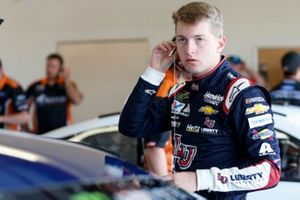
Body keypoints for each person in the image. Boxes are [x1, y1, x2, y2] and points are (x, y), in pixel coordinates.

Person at [119, 2, 281, 199]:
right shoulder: (180, 91)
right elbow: (131, 126)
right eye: (182, 40)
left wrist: (199, 179)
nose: (189, 50)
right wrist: (154, 71)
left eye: (199, 39)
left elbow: (270, 171)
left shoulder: (242, 94)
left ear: (220, 43)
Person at [26, 53, 83, 134]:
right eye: (48, 66)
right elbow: (24, 108)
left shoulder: (68, 85)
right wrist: (26, 128)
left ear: (60, 68)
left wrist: (66, 79)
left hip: (65, 132)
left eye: (53, 66)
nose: (49, 69)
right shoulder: (36, 86)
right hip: (41, 133)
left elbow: (77, 100)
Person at [0, 58, 29, 130]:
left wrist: (1, 119)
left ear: (1, 70)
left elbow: (25, 117)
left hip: (7, 136)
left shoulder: (13, 87)